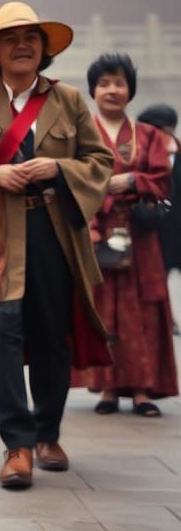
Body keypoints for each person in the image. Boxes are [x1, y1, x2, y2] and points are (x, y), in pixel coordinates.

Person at [0, 2, 113, 490]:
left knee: (51, 333)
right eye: (11, 39)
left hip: (53, 234)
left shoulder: (69, 101)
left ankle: (48, 434)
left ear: (44, 49)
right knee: (1, 333)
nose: (22, 46)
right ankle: (17, 445)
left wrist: (60, 168)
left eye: (32, 38)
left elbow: (99, 162)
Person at [78, 54, 177, 416]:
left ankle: (141, 390)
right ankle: (106, 388)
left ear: (130, 90)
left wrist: (132, 181)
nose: (112, 90)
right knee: (103, 309)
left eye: (119, 83)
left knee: (143, 309)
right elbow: (71, 183)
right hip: (96, 233)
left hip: (139, 237)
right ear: (93, 90)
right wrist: (89, 225)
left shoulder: (147, 135)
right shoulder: (79, 134)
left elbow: (163, 181)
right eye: (104, 84)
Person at [137, 103, 181, 313]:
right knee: (156, 280)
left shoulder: (177, 154)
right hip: (154, 230)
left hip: (177, 228)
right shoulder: (140, 158)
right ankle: (165, 318)